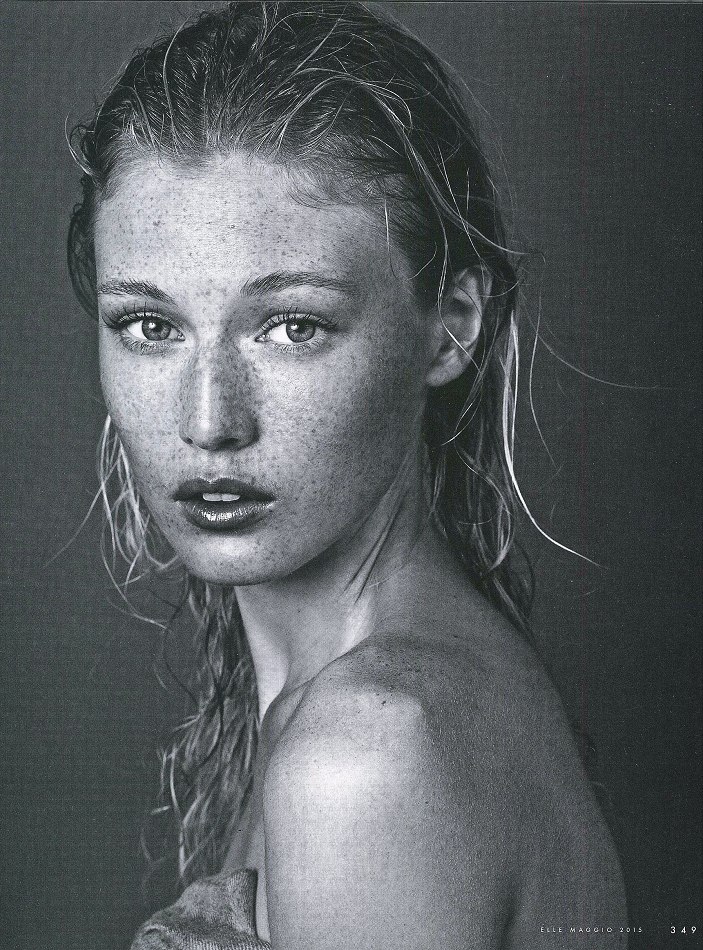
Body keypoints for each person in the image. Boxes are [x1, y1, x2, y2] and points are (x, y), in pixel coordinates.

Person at [67, 2, 627, 947]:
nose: (208, 422)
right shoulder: (368, 704)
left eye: (293, 327)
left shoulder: (367, 756)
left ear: (449, 327)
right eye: (150, 327)